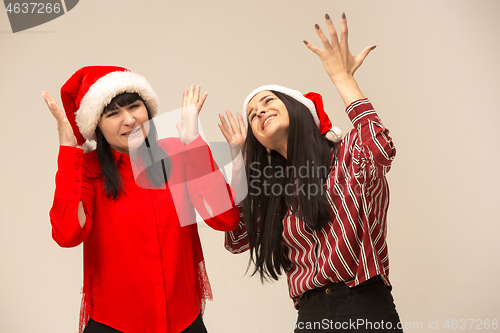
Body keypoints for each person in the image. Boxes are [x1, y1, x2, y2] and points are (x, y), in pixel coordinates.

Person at [219, 13, 403, 332]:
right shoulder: (275, 190)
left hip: (363, 308)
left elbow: (379, 148)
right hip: (311, 316)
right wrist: (239, 158)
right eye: (251, 114)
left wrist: (342, 78)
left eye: (267, 101)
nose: (259, 111)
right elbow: (237, 238)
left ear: (299, 110)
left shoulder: (347, 154)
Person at [43, 66, 239, 333]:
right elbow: (68, 234)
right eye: (113, 114)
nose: (130, 120)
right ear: (96, 126)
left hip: (185, 322)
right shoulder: (88, 170)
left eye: (134, 107)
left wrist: (193, 142)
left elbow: (224, 218)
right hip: (114, 324)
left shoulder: (177, 153)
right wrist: (68, 152)